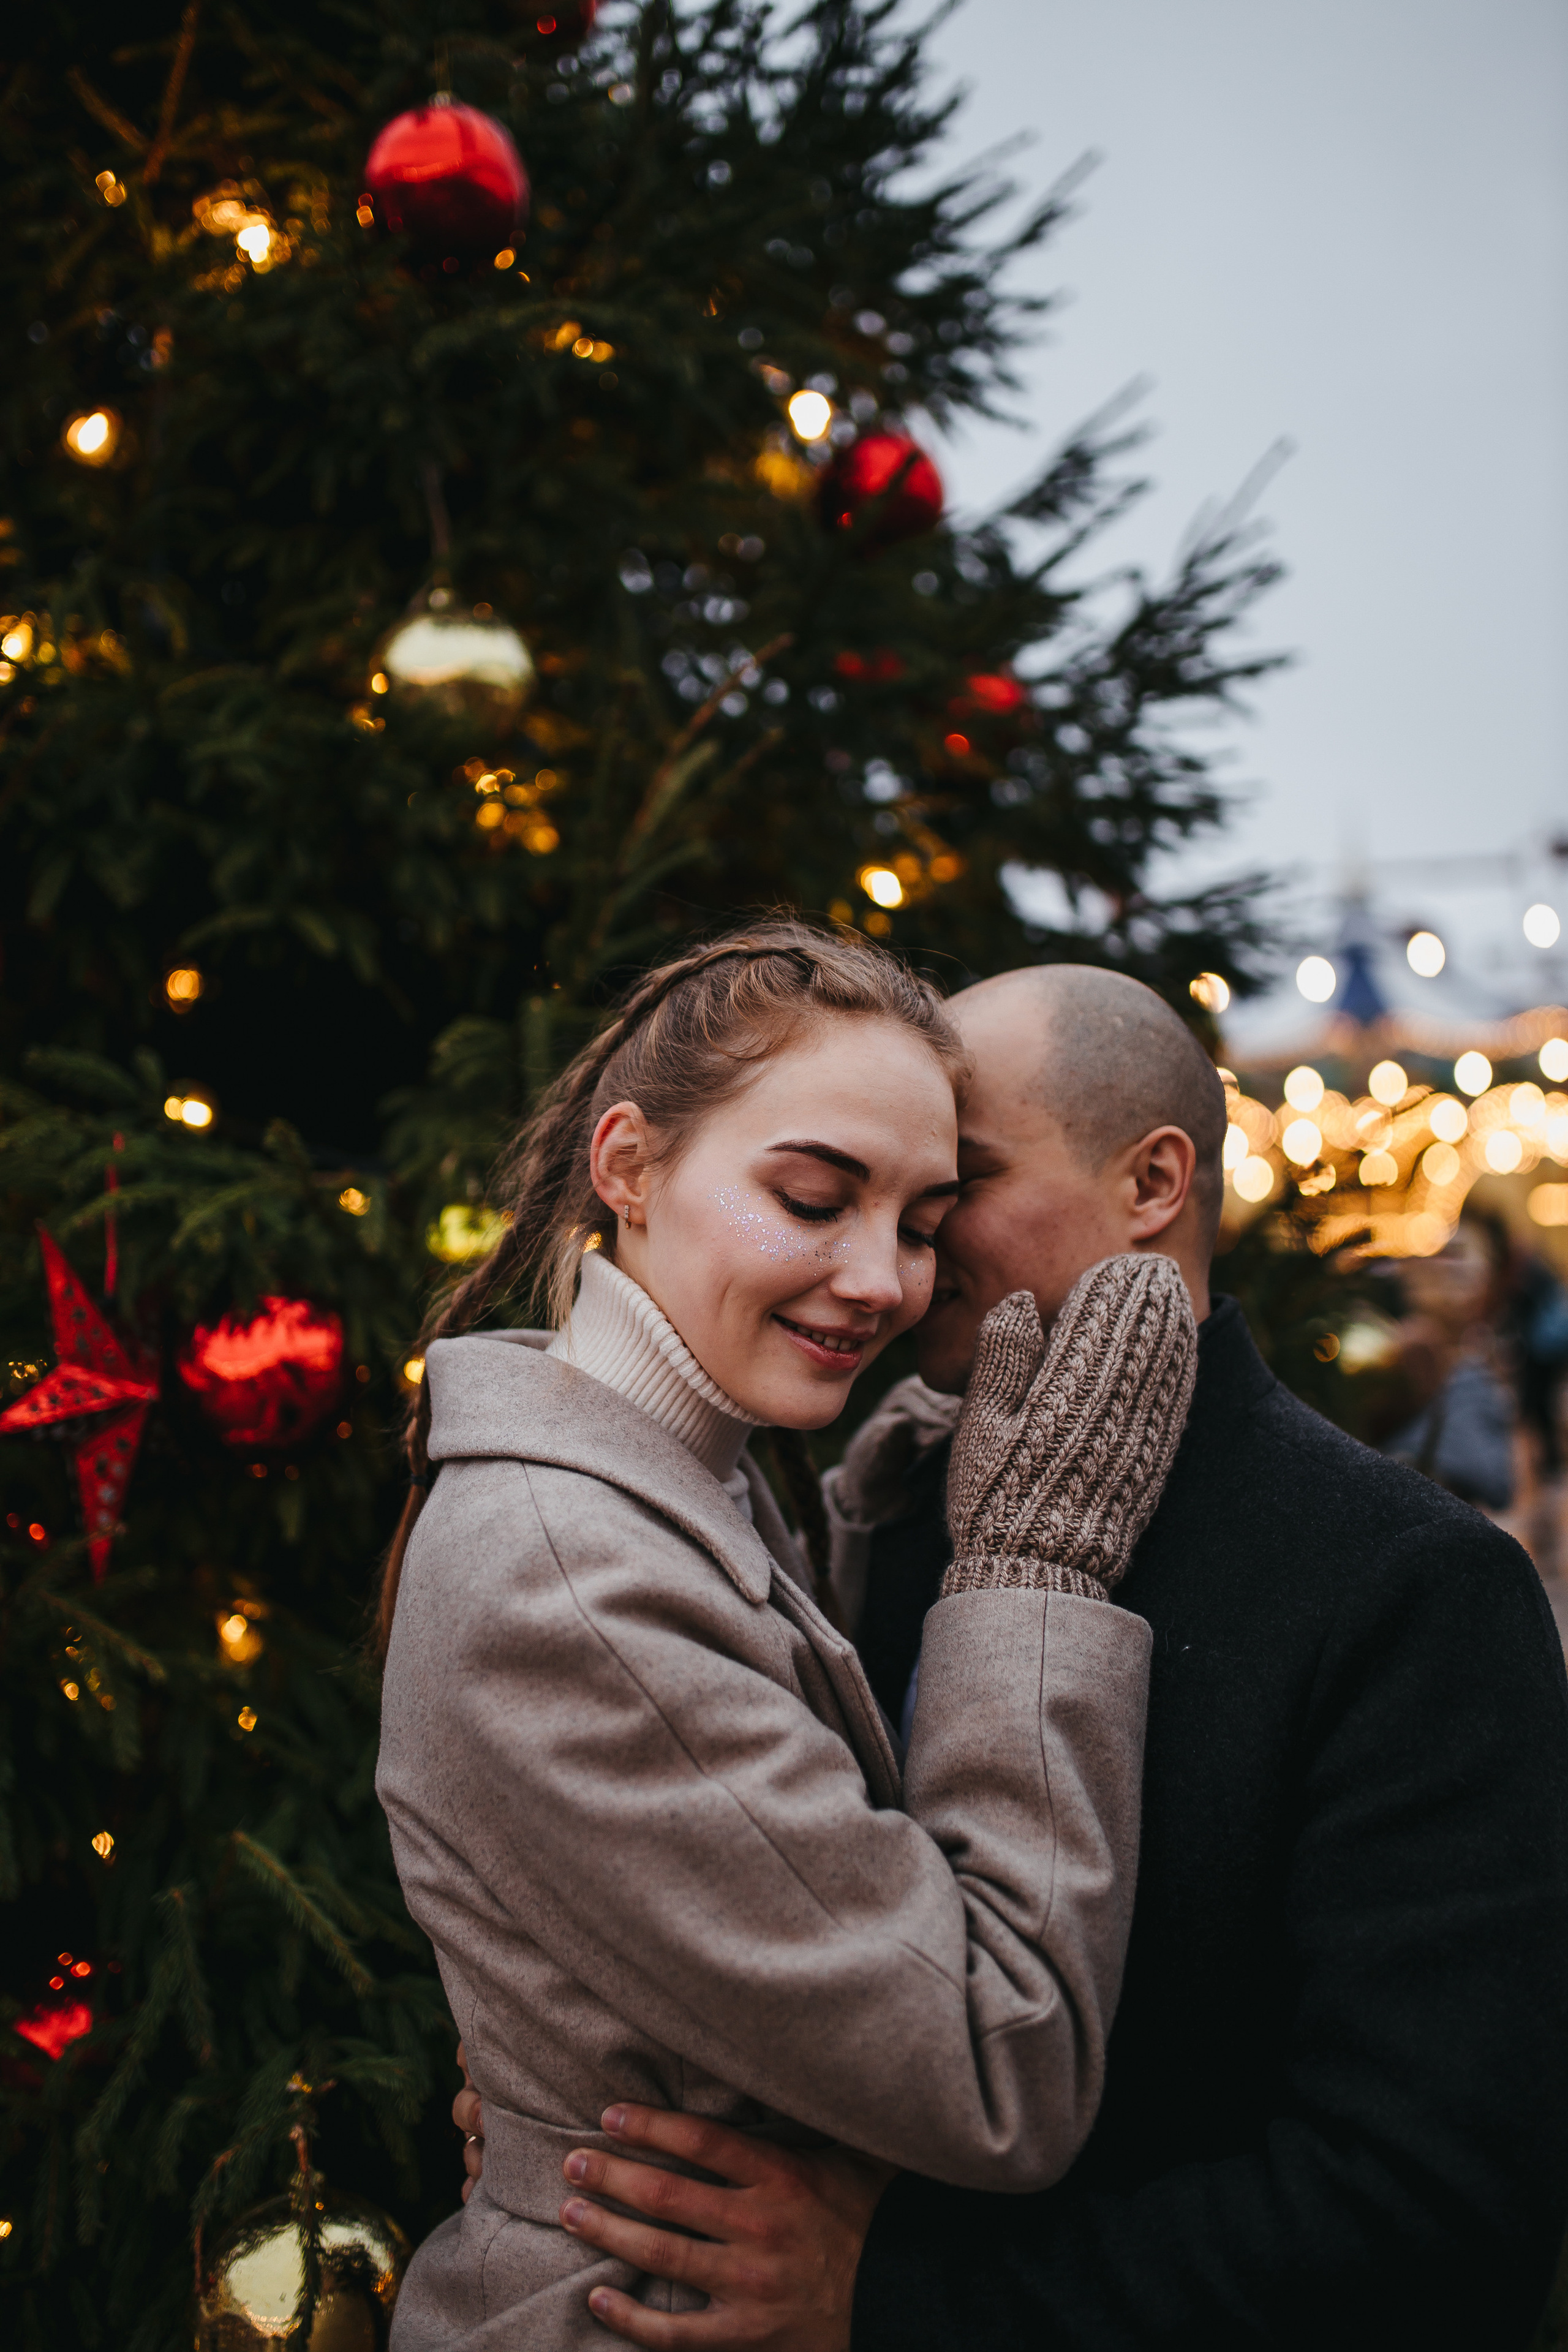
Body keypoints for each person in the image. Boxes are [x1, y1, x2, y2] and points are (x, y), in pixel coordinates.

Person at [493, 963, 1568, 2352]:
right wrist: (564, 2106)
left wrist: (897, 2295)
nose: (904, 1255)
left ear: (1153, 1181)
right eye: (876, 1195)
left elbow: (1439, 2213)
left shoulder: (1405, 1587)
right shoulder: (896, 1510)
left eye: (957, 1187)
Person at [376, 926, 1198, 2349]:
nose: (883, 1281)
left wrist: (872, 1498)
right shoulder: (568, 1583)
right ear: (625, 1167)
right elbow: (995, 2062)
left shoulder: (683, 1460)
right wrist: (1030, 1576)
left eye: (923, 1220)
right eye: (812, 1196)